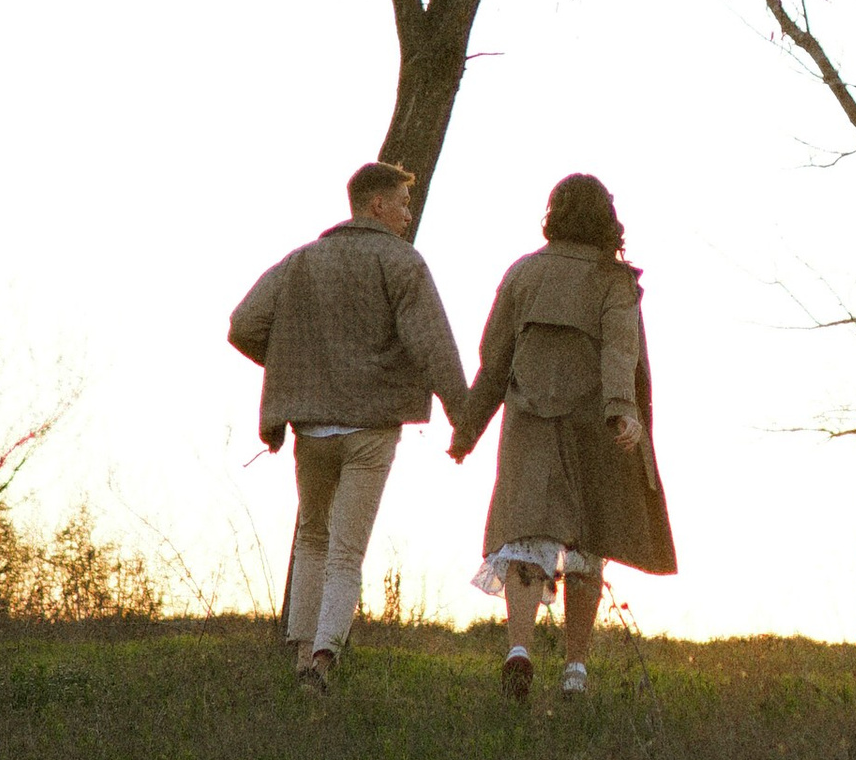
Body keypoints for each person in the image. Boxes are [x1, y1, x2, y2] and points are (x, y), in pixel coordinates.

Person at [228, 158, 468, 690]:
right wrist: (464, 419)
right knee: (345, 551)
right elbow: (433, 344)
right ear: (376, 204)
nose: (408, 215)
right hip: (370, 429)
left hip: (311, 430)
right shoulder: (401, 261)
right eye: (403, 203)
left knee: (312, 538)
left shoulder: (301, 261)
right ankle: (322, 661)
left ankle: (299, 656)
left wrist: (298, 369)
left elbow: (243, 324)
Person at [451, 170, 676, 700]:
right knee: (587, 543)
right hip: (591, 423)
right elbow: (619, 351)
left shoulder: (523, 273)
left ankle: (519, 649)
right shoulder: (613, 280)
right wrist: (622, 412)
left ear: (553, 215)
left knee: (526, 536)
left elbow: (493, 362)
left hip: (528, 421)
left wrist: (467, 431)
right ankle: (575, 669)